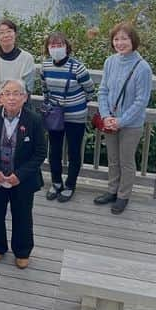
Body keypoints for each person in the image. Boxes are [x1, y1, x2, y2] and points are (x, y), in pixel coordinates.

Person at [0, 80, 47, 269]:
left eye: (16, 93)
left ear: (24, 98)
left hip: (22, 180)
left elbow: (40, 152)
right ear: (0, 96)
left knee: (23, 215)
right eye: (7, 93)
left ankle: (22, 251)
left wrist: (20, 175)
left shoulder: (34, 120)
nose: (11, 97)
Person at [94, 23, 153, 215]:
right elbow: (103, 90)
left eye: (124, 39)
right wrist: (106, 116)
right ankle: (112, 190)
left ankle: (123, 195)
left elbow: (141, 101)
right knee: (112, 159)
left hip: (131, 125)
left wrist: (121, 121)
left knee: (126, 160)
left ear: (133, 40)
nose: (120, 43)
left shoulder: (142, 67)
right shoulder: (110, 62)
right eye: (116, 39)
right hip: (110, 120)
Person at [39, 32, 95, 203]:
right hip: (55, 115)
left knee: (73, 151)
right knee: (54, 150)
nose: (56, 48)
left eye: (60, 45)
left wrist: (74, 103)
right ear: (48, 48)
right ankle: (56, 182)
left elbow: (90, 90)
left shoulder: (77, 67)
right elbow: (44, 89)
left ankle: (70, 184)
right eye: (53, 45)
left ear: (67, 46)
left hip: (75, 115)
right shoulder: (46, 66)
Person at [0, 19, 35, 109]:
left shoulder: (27, 58)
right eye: (1, 33)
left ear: (15, 34)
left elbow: (27, 89)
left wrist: (11, 106)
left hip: (19, 107)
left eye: (9, 31)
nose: (6, 35)